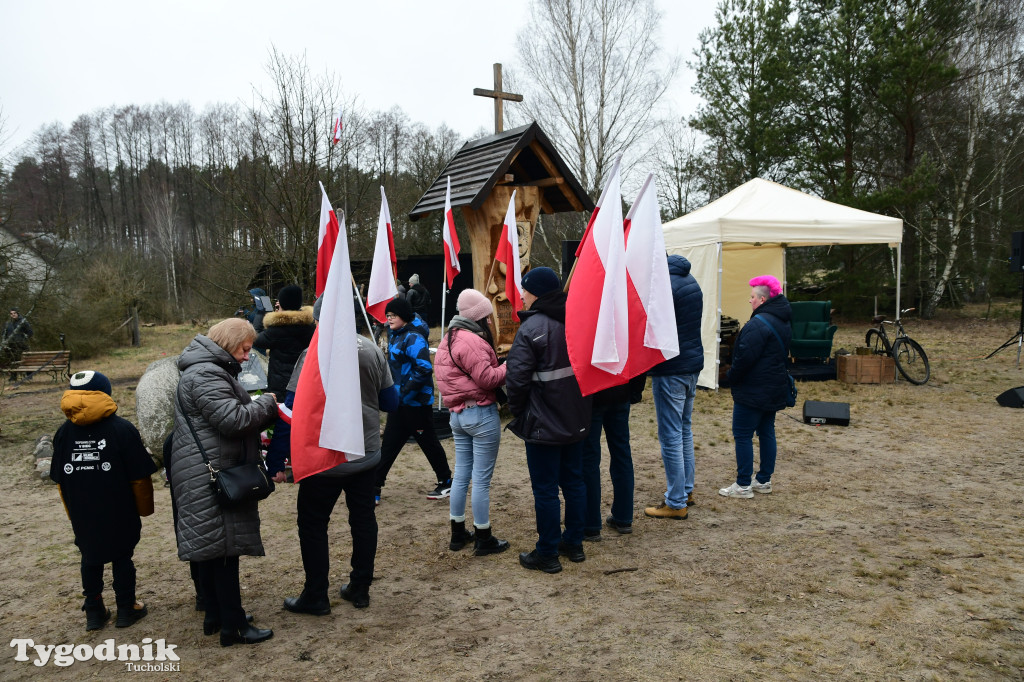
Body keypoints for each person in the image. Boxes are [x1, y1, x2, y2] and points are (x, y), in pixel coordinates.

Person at [280, 296, 399, 615]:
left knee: (313, 522)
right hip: (364, 453)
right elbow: (391, 402)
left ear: (319, 321)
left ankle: (316, 594)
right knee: (363, 518)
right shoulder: (371, 349)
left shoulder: (312, 354)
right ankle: (360, 588)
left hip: (324, 459)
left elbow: (292, 406)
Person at [171, 318, 279, 646]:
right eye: (245, 349)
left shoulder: (204, 370)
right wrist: (269, 403)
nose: (248, 356)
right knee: (224, 550)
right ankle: (233, 627)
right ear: (230, 343)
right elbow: (234, 420)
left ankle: (216, 615)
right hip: (211, 473)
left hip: (200, 469)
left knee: (212, 550)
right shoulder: (206, 373)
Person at [50, 370, 156, 631]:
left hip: (83, 512)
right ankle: (125, 609)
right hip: (119, 510)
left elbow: (60, 481)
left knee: (90, 557)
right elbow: (139, 477)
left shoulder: (64, 433)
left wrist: (73, 513)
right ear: (105, 393)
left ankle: (95, 612)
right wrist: (144, 510)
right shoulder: (122, 429)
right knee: (122, 556)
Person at [506, 267, 592, 574]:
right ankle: (574, 544)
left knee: (545, 489)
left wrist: (519, 411)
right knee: (574, 482)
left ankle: (547, 552)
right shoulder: (578, 319)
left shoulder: (531, 329)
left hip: (543, 423)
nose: (522, 295)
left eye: (525, 290)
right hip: (577, 417)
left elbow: (515, 380)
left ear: (537, 293)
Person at [434, 288, 510, 556]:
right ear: (477, 317)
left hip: (457, 415)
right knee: (481, 480)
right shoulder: (473, 341)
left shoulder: (447, 340)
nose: (489, 322)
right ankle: (483, 536)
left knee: (462, 474)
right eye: (487, 317)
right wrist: (508, 365)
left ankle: (457, 532)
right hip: (480, 414)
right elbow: (488, 379)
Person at [719, 275, 792, 499]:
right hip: (773, 387)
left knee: (742, 435)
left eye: (752, 297)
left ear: (761, 299)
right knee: (766, 432)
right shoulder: (783, 320)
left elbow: (744, 360)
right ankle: (763, 480)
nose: (749, 301)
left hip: (753, 389)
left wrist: (730, 376)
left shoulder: (757, 324)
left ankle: (742, 485)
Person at [374, 297, 453, 502]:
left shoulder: (413, 337)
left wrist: (405, 393)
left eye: (393, 315)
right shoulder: (397, 334)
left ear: (404, 316)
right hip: (400, 403)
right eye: (388, 315)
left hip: (416, 404)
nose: (389, 319)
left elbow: (424, 369)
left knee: (428, 443)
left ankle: (446, 481)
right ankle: (374, 486)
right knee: (390, 444)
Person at [645, 255, 704, 521]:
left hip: (671, 369)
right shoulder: (689, 280)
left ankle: (676, 501)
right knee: (684, 430)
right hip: (690, 365)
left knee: (671, 435)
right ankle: (685, 491)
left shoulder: (664, 287)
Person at [581, 375, 646, 540]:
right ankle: (623, 518)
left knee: (589, 458)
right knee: (621, 453)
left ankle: (591, 524)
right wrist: (635, 390)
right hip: (620, 390)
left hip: (592, 392)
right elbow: (637, 356)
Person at [254, 284, 315, 400]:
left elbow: (255, 338)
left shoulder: (276, 330)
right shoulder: (310, 326)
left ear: (281, 303)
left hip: (280, 387)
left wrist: (260, 313)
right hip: (304, 382)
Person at [2, 308, 33, 374]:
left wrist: (24, 338)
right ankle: (13, 376)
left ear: (17, 313)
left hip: (21, 344)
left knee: (26, 359)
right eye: (11, 313)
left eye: (14, 313)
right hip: (10, 345)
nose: (13, 315)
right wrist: (4, 343)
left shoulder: (23, 322)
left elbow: (30, 332)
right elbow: (4, 334)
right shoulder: (8, 323)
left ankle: (29, 375)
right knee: (12, 361)